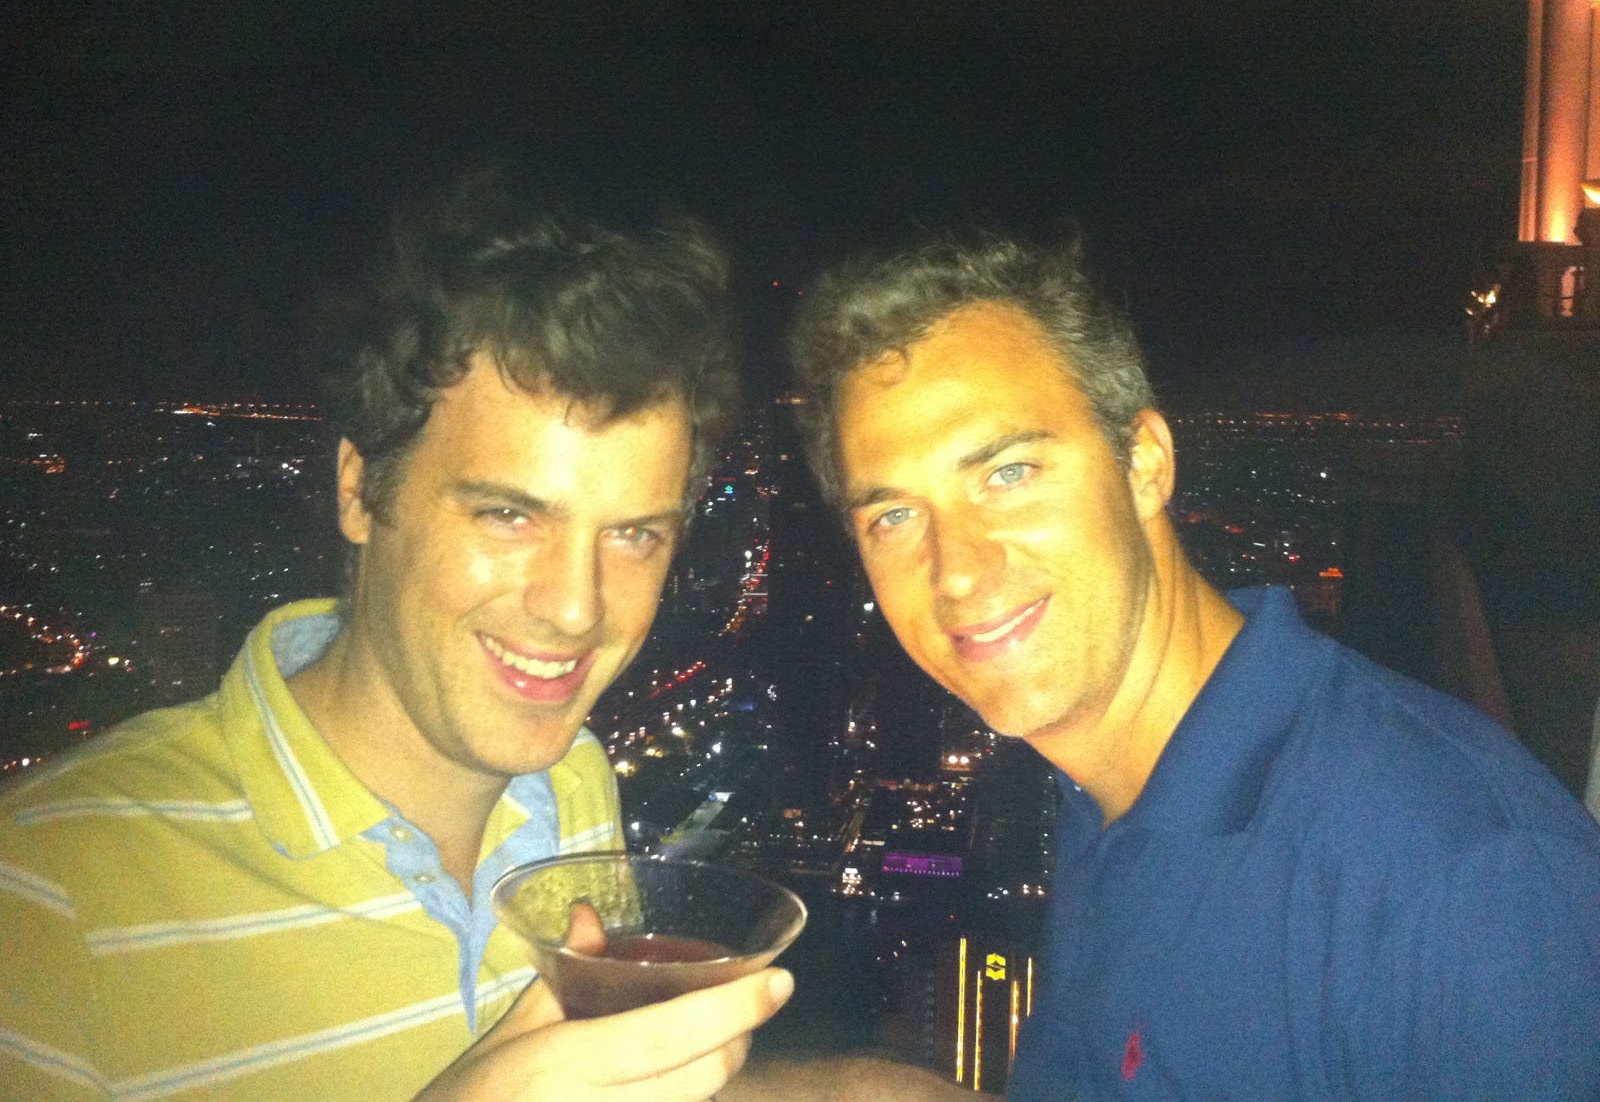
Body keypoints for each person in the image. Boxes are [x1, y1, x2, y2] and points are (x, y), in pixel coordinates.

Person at [0, 172, 794, 1100]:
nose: (576, 608)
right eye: (508, 514)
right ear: (358, 491)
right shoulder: (45, 894)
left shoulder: (575, 788)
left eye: (633, 534)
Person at [780, 232, 1600, 1100]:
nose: (955, 570)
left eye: (1009, 472)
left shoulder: (1461, 880)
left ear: (1144, 463)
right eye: (893, 517)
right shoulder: (1109, 796)